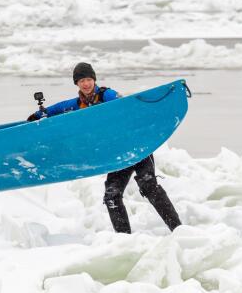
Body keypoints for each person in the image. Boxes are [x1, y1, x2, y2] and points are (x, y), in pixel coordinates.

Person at [27, 62, 181, 234]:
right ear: (76, 84)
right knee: (111, 195)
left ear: (94, 80)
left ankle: (178, 230)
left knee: (149, 186)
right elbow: (55, 109)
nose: (86, 84)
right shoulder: (77, 104)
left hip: (137, 146)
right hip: (120, 155)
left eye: (88, 79)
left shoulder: (107, 95)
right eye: (81, 81)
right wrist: (37, 116)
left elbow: (126, 106)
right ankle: (124, 239)